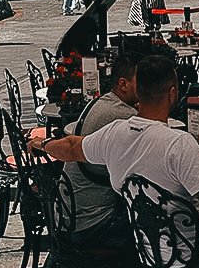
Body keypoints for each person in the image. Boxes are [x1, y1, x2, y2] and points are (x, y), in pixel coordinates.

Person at [41, 54, 199, 268]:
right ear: (172, 94)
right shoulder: (179, 143)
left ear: (138, 92)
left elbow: (71, 148)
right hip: (193, 257)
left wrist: (42, 144)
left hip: (147, 252)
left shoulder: (115, 132)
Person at [30, 53, 139, 248]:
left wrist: (42, 144)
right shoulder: (125, 117)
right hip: (89, 222)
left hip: (67, 213)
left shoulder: (103, 101)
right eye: (143, 83)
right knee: (149, 234)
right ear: (123, 84)